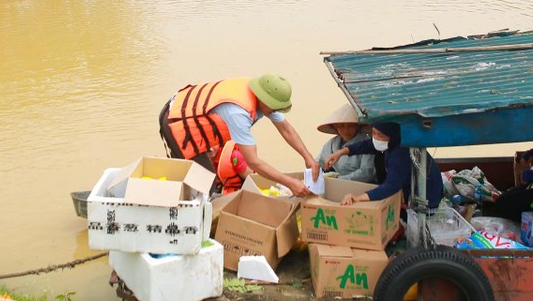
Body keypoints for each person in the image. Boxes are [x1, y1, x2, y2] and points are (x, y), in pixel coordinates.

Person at [159, 74, 320, 197]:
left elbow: (286, 129)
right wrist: (290, 183)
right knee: (204, 182)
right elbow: (254, 162)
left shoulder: (262, 97)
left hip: (195, 115)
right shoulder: (238, 113)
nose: (276, 111)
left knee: (206, 180)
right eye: (274, 107)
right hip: (177, 121)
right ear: (263, 98)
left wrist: (308, 158)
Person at [324, 121, 443, 209]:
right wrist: (341, 152)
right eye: (374, 133)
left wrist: (358, 198)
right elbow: (368, 145)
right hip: (409, 190)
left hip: (426, 197)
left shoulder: (400, 153)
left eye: (380, 135)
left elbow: (391, 185)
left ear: (392, 135)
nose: (376, 138)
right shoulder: (389, 143)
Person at [315, 103, 377, 183]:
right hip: (335, 185)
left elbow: (367, 172)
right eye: (341, 126)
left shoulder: (366, 143)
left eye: (350, 126)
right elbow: (318, 163)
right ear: (335, 127)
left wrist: (340, 179)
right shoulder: (331, 144)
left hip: (361, 187)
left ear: (358, 126)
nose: (346, 130)